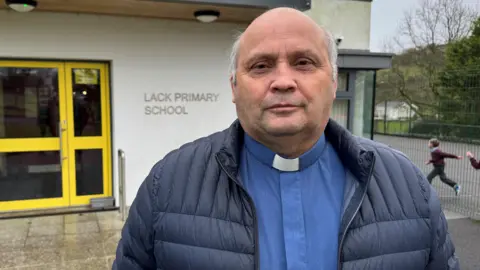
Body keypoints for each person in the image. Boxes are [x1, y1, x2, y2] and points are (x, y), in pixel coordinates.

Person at [113, 7, 459, 270]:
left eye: (304, 63)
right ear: (234, 86)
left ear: (334, 82)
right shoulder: (168, 184)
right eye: (261, 66)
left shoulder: (406, 185)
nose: (282, 81)